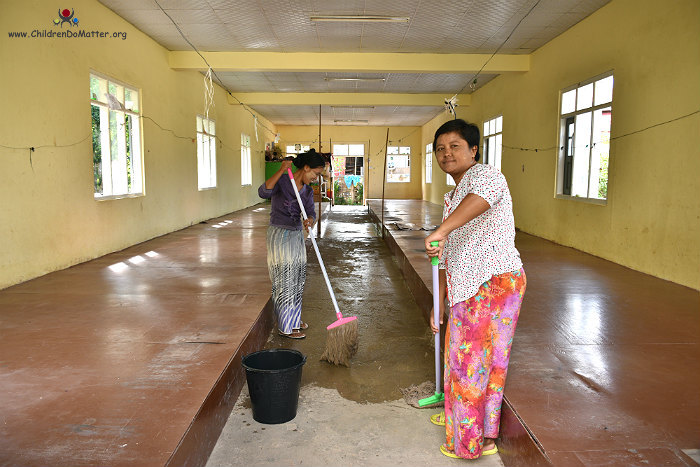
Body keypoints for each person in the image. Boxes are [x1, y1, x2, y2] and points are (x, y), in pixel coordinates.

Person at [424, 119, 526, 459]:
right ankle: (466, 423)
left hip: (492, 282)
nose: (446, 153)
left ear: (473, 150)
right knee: (471, 360)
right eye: (440, 149)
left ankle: (468, 442)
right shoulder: (453, 196)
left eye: (454, 146)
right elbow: (446, 251)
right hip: (469, 286)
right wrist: (438, 300)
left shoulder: (486, 176)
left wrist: (441, 229)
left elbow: (478, 201)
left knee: (472, 364)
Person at [258, 149, 326, 339]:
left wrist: (310, 220)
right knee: (285, 279)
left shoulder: (307, 191)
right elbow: (263, 192)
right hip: (280, 234)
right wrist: (280, 171)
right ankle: (286, 326)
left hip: (296, 235)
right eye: (316, 173)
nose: (316, 178)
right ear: (306, 168)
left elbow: (311, 212)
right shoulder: (283, 182)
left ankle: (294, 319)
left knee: (298, 278)